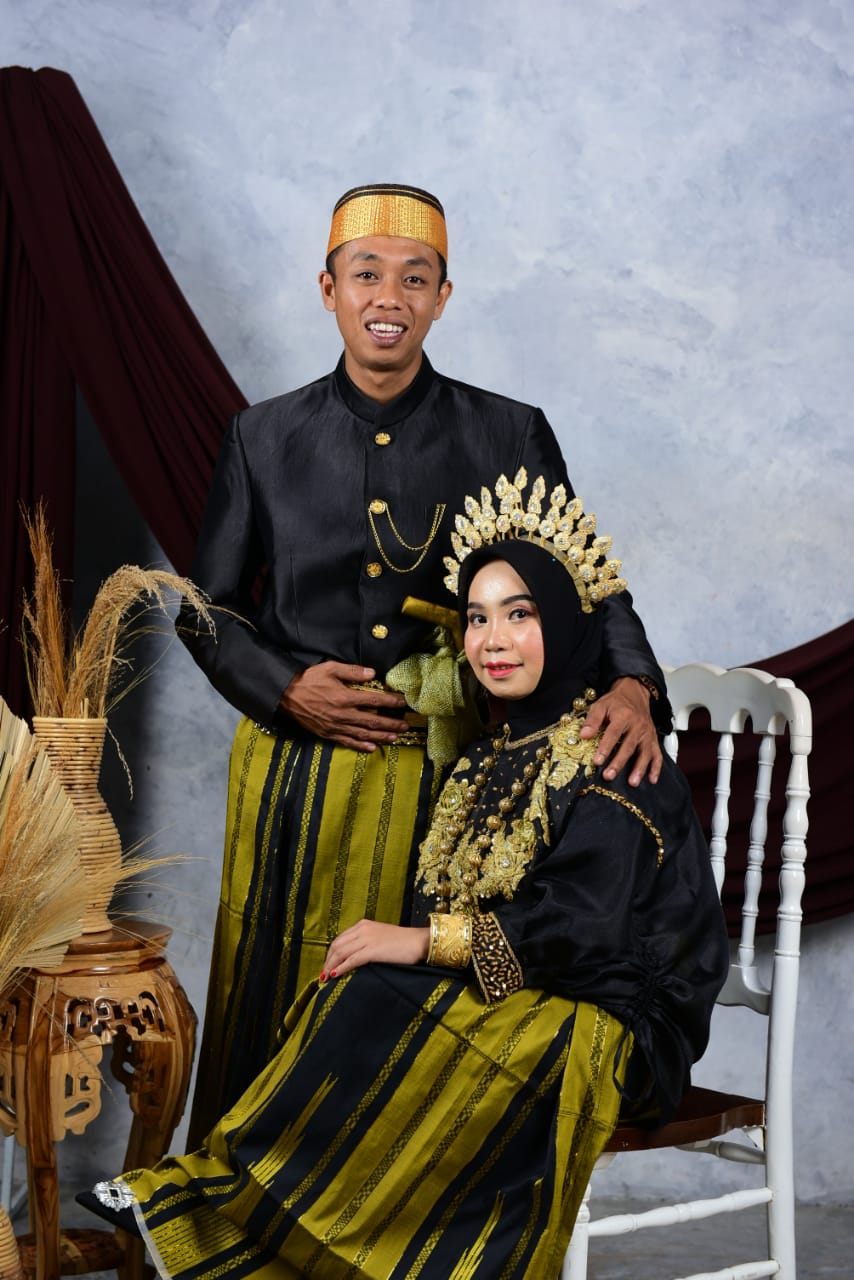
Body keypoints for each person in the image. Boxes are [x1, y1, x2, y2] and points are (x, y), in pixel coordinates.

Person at [82, 473, 729, 1278]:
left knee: (392, 989)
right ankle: (241, 1210)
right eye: (478, 618)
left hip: (615, 1025)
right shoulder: (493, 754)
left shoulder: (614, 750)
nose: (493, 640)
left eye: (520, 614)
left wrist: (419, 944)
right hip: (529, 989)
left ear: (568, 620)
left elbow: (582, 930)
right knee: (357, 986)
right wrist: (410, 950)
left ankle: (214, 1202)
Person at [177, 183, 673, 1144]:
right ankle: (234, 1195)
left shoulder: (507, 430)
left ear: (443, 298)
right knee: (275, 987)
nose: (388, 296)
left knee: (407, 1013)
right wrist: (286, 687)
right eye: (366, 274)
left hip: (448, 779)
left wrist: (631, 682)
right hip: (291, 775)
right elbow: (206, 611)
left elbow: (584, 579)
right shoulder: (261, 435)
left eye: (415, 278)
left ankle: (381, 1204)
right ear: (329, 290)